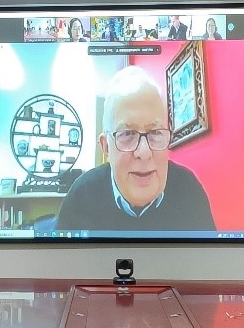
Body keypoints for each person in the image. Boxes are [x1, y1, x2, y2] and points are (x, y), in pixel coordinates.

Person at [53, 67, 214, 233]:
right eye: (127, 134)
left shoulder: (188, 190)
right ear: (106, 147)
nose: (144, 153)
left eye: (155, 133)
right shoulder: (81, 197)